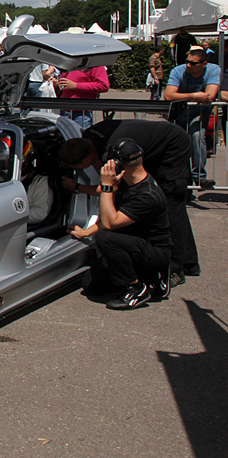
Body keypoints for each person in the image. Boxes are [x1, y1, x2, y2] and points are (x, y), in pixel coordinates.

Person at [61, 118, 198, 287]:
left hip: (172, 145)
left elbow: (110, 189)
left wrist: (78, 187)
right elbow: (105, 179)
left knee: (172, 204)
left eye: (79, 167)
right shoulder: (89, 137)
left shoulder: (110, 154)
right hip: (153, 143)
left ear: (86, 159)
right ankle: (190, 262)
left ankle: (175, 269)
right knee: (165, 205)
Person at [68, 138, 172, 310]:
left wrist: (107, 187)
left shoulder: (147, 195)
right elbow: (112, 214)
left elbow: (110, 223)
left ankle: (137, 288)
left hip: (153, 250)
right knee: (91, 286)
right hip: (131, 242)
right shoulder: (126, 181)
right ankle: (143, 276)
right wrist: (87, 232)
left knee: (106, 237)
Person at [164, 48, 219, 188]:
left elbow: (210, 96)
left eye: (193, 63)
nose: (188, 65)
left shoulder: (213, 70)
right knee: (179, 145)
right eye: (187, 62)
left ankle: (199, 177)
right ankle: (184, 182)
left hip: (199, 112)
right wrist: (194, 96)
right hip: (179, 113)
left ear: (204, 64)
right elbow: (169, 95)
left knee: (197, 136)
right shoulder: (178, 71)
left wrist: (187, 97)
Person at [56, 65, 109, 129]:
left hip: (81, 112)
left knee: (80, 137)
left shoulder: (95, 65)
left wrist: (76, 86)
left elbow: (103, 86)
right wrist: (57, 83)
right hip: (64, 110)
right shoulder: (71, 63)